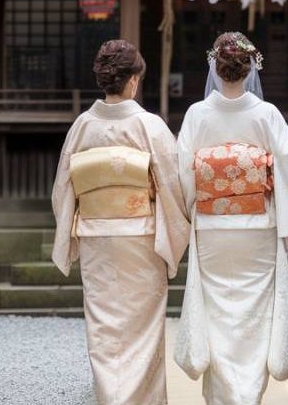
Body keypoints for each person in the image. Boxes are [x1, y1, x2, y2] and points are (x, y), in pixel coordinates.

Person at [174, 32, 288, 405]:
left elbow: (184, 174)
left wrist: (193, 209)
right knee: (253, 319)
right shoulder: (266, 115)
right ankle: (248, 396)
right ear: (250, 67)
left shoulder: (197, 114)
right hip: (257, 227)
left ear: (215, 68)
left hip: (212, 227)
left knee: (219, 316)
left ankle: (223, 398)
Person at [49, 39, 190, 405]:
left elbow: (62, 189)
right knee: (142, 329)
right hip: (140, 240)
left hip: (97, 239)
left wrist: (73, 234)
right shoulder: (150, 126)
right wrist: (173, 236)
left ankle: (111, 398)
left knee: (104, 330)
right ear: (132, 81)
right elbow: (173, 187)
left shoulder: (82, 127)